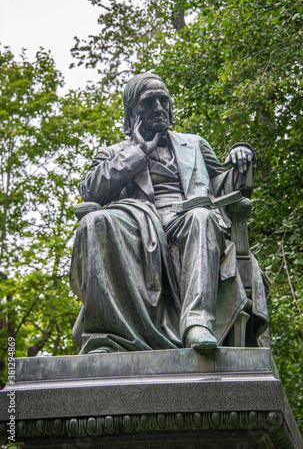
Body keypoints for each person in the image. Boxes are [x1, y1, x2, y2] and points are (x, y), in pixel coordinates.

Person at [70, 72, 269, 354]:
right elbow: (90, 190)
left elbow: (223, 185)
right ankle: (108, 337)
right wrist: (137, 152)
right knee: (94, 221)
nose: (159, 108)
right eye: (148, 102)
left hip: (187, 215)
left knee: (202, 216)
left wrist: (241, 158)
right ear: (132, 112)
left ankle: (197, 323)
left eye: (164, 100)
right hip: (137, 221)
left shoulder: (194, 144)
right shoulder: (116, 151)